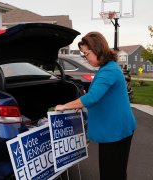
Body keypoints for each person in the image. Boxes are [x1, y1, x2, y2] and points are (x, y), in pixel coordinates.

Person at [55, 32, 137, 180]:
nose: (85, 58)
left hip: (116, 131)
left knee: (111, 174)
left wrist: (64, 106)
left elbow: (93, 97)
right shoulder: (107, 67)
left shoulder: (109, 70)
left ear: (97, 49)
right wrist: (81, 103)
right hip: (116, 128)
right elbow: (99, 94)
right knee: (116, 172)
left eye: (86, 54)